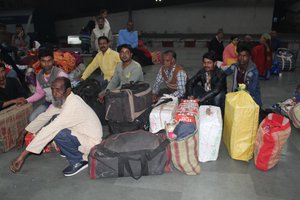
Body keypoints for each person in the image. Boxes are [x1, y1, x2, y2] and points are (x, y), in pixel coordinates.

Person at [9, 77, 103, 176]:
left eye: (58, 90)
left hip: (92, 143)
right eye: (52, 89)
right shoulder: (66, 99)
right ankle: (68, 149)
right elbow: (45, 115)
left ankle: (78, 161)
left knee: (58, 132)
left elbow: (50, 129)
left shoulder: (73, 105)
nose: (54, 94)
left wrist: (22, 156)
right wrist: (24, 131)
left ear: (68, 90)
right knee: (54, 118)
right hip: (83, 134)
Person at [16, 46, 68, 121]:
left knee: (52, 121)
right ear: (39, 61)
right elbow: (40, 93)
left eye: (49, 60)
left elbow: (65, 97)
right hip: (48, 103)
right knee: (32, 119)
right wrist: (26, 100)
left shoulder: (60, 75)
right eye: (43, 61)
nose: (47, 64)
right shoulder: (39, 75)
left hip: (62, 105)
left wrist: (48, 112)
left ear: (53, 60)